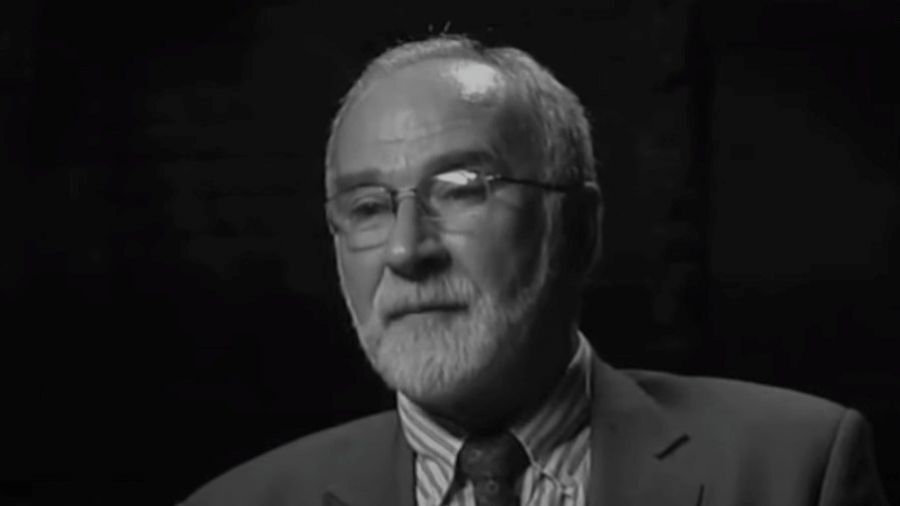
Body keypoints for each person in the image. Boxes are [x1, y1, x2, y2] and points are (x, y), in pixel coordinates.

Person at [178, 34, 889, 506]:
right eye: (367, 207)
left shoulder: (794, 471)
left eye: (461, 189)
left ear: (577, 228)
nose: (405, 250)